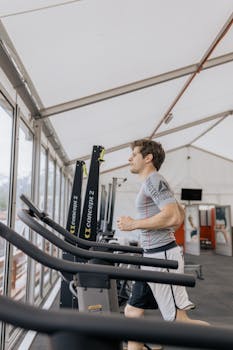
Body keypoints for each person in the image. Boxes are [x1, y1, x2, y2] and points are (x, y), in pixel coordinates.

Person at [117, 139, 208, 350]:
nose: (129, 158)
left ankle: (221, 340)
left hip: (162, 258)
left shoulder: (154, 180)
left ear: (148, 158)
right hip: (151, 256)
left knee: (179, 322)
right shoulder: (152, 182)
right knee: (132, 313)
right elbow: (177, 216)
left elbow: (171, 217)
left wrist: (134, 224)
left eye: (134, 154)